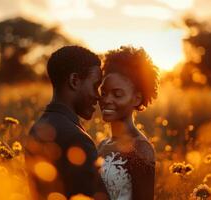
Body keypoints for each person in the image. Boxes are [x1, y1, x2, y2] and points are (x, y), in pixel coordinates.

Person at [24, 45, 109, 200]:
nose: (98, 96)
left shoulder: (37, 128)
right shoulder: (77, 138)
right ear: (74, 81)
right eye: (95, 86)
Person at [98, 46, 159, 200]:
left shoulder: (140, 149)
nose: (106, 100)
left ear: (137, 98)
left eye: (117, 94)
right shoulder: (102, 145)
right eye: (103, 93)